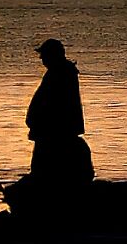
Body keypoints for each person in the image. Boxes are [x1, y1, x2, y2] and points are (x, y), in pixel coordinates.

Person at [25, 37, 94, 190]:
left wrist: (39, 122)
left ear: (53, 55)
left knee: (44, 173)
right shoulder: (61, 72)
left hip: (54, 133)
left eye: (44, 56)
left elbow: (53, 104)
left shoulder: (59, 74)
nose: (42, 59)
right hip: (52, 132)